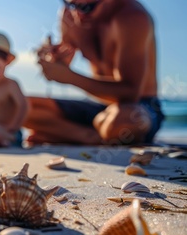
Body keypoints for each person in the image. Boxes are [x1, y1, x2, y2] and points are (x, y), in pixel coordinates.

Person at [26, 0, 164, 145]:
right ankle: (90, 137)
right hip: (99, 106)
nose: (78, 15)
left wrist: (70, 77)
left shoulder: (132, 17)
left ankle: (65, 133)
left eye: (87, 8)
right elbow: (63, 60)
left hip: (139, 106)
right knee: (15, 106)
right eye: (72, 5)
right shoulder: (69, 14)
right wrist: (52, 60)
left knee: (125, 121)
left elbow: (131, 93)